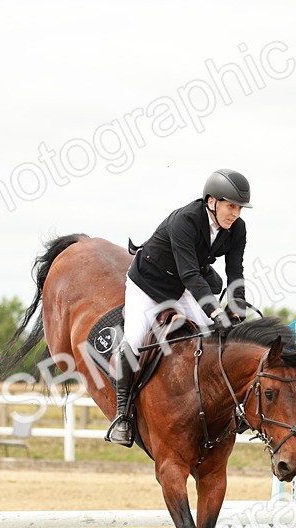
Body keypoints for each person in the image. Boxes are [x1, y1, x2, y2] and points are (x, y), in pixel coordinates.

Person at [105, 168, 251, 446]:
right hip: (148, 285)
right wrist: (215, 311)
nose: (235, 213)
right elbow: (191, 275)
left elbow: (235, 271)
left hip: (183, 288)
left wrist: (236, 304)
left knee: (216, 340)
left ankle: (232, 408)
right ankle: (122, 414)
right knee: (135, 342)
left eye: (239, 208)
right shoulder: (186, 220)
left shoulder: (237, 229)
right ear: (211, 201)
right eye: (230, 206)